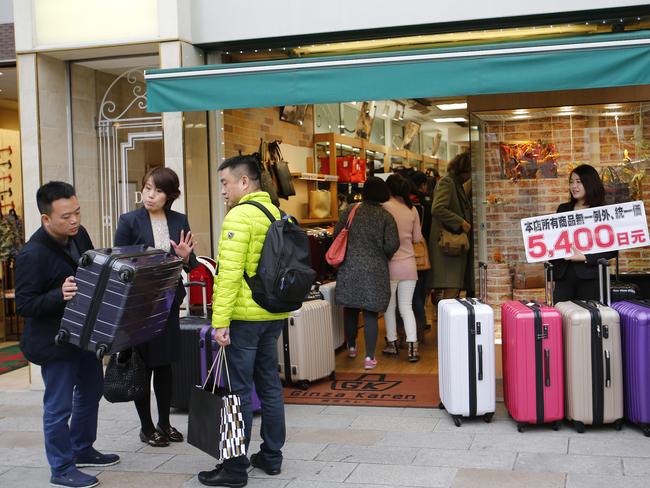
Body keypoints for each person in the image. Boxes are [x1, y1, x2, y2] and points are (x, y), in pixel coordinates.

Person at [15, 182, 120, 488]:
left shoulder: (79, 234)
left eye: (76, 212)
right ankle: (61, 467)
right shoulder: (31, 254)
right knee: (58, 406)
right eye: (65, 216)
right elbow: (25, 305)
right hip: (54, 342)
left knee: (91, 390)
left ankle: (82, 448)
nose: (74, 220)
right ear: (46, 219)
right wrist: (57, 295)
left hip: (84, 333)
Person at [198, 155, 288, 488]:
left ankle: (234, 469)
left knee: (237, 392)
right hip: (272, 313)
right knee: (269, 385)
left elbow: (229, 274)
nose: (222, 190)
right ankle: (271, 457)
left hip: (245, 319)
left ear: (244, 182)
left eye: (225, 182)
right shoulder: (276, 212)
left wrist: (219, 322)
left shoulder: (239, 216)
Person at [114, 167, 198, 448]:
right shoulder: (129, 221)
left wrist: (185, 259)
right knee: (143, 365)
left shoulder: (179, 219)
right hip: (139, 306)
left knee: (165, 365)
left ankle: (165, 422)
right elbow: (118, 264)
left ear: (170, 195)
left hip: (168, 301)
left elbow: (190, 261)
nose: (150, 195)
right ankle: (147, 427)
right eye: (147, 187)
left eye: (158, 190)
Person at [334, 176, 400, 370]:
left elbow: (337, 234)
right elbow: (392, 244)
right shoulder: (386, 216)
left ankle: (352, 347)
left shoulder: (350, 210)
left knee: (351, 309)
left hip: (350, 267)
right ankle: (369, 357)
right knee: (371, 313)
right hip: (375, 270)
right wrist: (382, 254)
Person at [551, 164, 617, 302]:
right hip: (564, 276)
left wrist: (585, 257)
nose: (574, 186)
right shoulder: (563, 209)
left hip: (591, 277)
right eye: (571, 182)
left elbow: (613, 250)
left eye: (579, 182)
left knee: (588, 319)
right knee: (561, 316)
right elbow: (553, 239)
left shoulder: (602, 212)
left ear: (590, 183)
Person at [382, 174, 423, 362]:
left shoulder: (384, 207)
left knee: (390, 307)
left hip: (390, 265)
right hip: (409, 265)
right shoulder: (412, 209)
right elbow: (417, 238)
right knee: (407, 307)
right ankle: (413, 347)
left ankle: (392, 343)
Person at [427, 151, 473, 300]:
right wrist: (460, 222)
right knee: (450, 292)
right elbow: (437, 208)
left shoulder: (456, 183)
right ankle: (446, 323)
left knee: (452, 290)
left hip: (452, 248)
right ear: (465, 170)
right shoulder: (448, 182)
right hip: (448, 247)